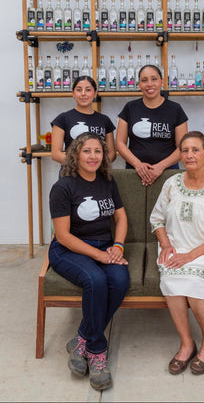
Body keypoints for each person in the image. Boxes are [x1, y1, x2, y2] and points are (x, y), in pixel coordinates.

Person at [150, 131, 204, 375]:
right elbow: (156, 218)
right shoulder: (171, 183)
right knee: (171, 278)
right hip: (177, 245)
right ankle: (187, 344)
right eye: (185, 150)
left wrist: (190, 256)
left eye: (196, 150)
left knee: (194, 280)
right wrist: (166, 244)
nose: (189, 155)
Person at [48, 132, 130, 391]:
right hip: (68, 249)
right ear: (76, 154)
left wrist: (117, 246)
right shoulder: (63, 187)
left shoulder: (107, 180)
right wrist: (100, 256)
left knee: (119, 280)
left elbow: (121, 218)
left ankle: (81, 338)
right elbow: (62, 235)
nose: (93, 156)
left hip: (104, 246)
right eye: (87, 151)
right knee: (95, 279)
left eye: (98, 151)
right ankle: (97, 353)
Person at [116, 64, 188, 185]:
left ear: (162, 82)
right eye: (144, 80)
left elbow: (182, 146)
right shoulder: (130, 108)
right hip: (135, 172)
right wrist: (138, 165)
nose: (149, 84)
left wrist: (160, 167)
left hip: (167, 172)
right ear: (139, 85)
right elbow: (119, 143)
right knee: (134, 204)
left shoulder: (175, 109)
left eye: (154, 79)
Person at [51, 75, 116, 165]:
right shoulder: (62, 119)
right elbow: (56, 154)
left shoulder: (105, 120)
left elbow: (112, 153)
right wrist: (82, 166)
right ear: (73, 93)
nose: (83, 93)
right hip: (71, 173)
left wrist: (96, 166)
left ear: (95, 93)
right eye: (79, 90)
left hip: (98, 173)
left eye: (88, 90)